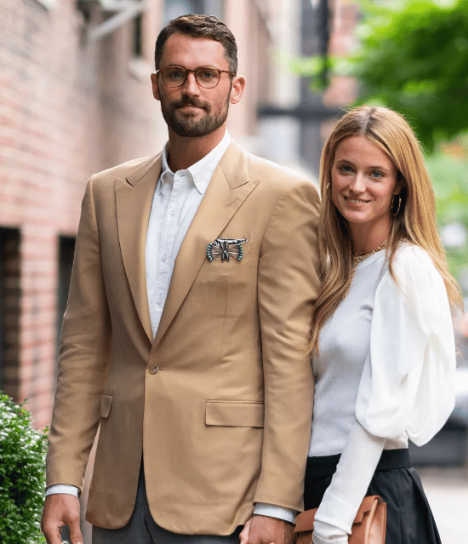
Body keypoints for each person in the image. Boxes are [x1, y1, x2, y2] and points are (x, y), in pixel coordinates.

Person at [41, 14, 320, 544]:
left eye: (207, 75)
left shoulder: (280, 198)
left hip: (225, 498)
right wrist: (63, 481)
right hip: (119, 494)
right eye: (176, 74)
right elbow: (82, 349)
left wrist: (278, 503)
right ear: (155, 85)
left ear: (235, 87)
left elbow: (289, 363)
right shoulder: (106, 193)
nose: (191, 88)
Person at [304, 106, 462, 544]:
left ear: (399, 186)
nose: (357, 186)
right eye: (346, 169)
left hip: (364, 499)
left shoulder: (404, 267)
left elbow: (380, 408)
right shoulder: (338, 271)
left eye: (376, 174)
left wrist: (333, 523)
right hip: (317, 489)